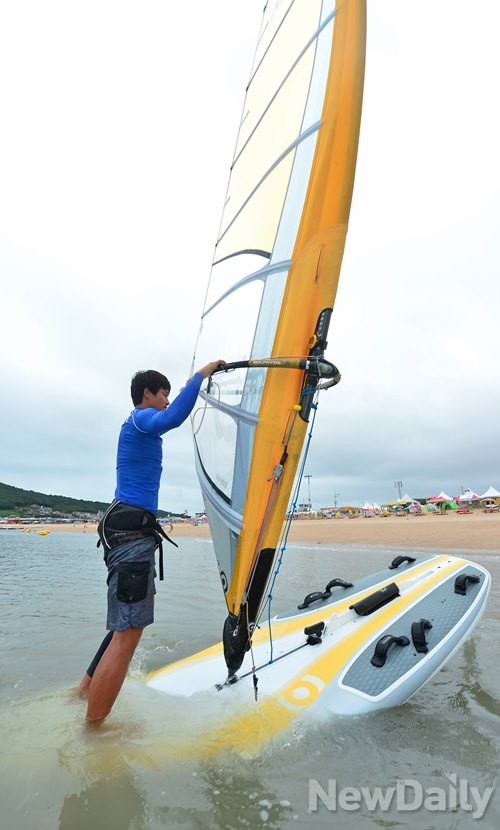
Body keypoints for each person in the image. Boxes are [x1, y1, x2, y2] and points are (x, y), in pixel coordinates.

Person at [78, 359, 224, 722]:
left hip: (125, 528)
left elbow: (169, 416)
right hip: (129, 532)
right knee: (128, 633)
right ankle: (94, 732)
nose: (166, 401)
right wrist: (201, 377)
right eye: (164, 394)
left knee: (121, 628)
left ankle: (82, 694)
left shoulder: (136, 428)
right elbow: (172, 418)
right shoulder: (140, 419)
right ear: (147, 394)